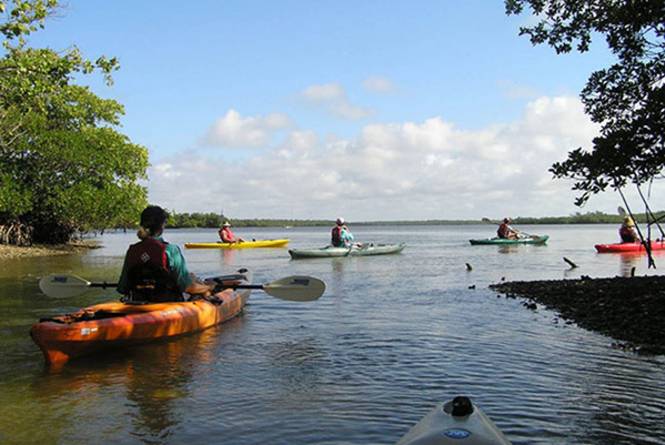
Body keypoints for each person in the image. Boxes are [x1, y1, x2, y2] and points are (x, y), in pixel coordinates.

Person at [117, 205, 212, 302]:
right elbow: (188, 288)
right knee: (197, 286)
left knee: (191, 276)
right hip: (169, 305)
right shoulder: (171, 250)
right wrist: (208, 288)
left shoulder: (132, 251)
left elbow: (122, 288)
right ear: (162, 226)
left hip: (138, 303)